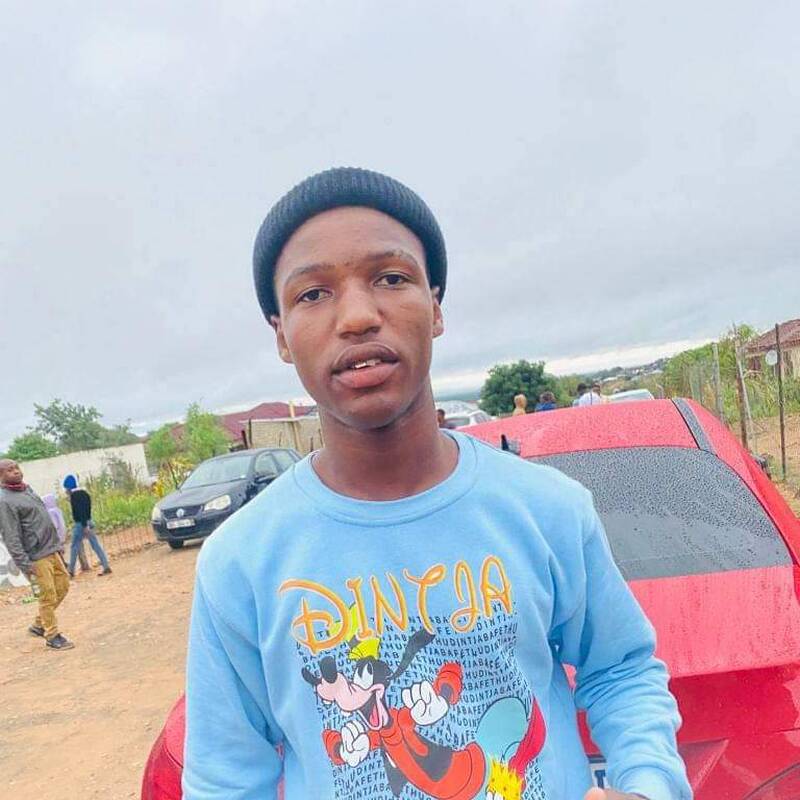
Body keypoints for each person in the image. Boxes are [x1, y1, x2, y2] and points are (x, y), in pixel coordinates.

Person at [183, 168, 690, 800]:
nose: (358, 316)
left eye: (391, 278)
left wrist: (648, 785)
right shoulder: (240, 561)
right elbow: (226, 775)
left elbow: (621, 670)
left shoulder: (548, 510)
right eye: (313, 293)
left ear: (436, 305)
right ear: (282, 336)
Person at [0, 459, 74, 650]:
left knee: (63, 585)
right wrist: (24, 563)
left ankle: (39, 625)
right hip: (35, 556)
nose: (15, 471)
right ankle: (52, 636)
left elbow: (42, 519)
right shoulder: (4, 501)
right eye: (9, 470)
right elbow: (11, 536)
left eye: (16, 468)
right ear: (1, 476)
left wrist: (57, 544)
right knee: (47, 595)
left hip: (51, 549)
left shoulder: (27, 489)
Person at [63, 474, 112, 577]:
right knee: (96, 545)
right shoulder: (85, 494)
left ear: (68, 488)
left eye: (66, 488)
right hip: (89, 520)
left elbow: (80, 512)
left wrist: (84, 525)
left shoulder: (74, 497)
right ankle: (106, 565)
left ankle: (71, 570)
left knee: (74, 546)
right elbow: (87, 509)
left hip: (80, 524)